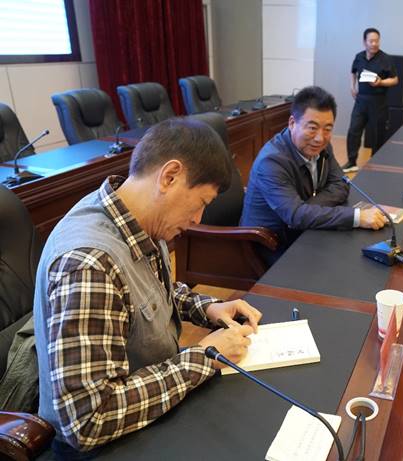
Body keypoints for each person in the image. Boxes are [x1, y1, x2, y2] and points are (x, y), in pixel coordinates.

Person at [33, 118, 264, 454]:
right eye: (201, 202)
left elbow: (146, 291)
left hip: (152, 403)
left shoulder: (135, 216)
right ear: (169, 177)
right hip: (106, 445)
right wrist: (202, 357)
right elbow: (88, 421)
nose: (198, 219)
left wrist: (209, 308)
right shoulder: (89, 263)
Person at [241, 86, 386, 262]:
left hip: (300, 232)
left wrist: (306, 209)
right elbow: (295, 216)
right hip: (269, 245)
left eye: (328, 129)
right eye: (312, 128)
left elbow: (341, 185)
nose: (320, 138)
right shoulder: (272, 161)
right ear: (292, 123)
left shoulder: (322, 147)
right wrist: (356, 217)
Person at [342, 27, 399, 173]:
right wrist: (352, 87)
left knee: (378, 133)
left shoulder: (386, 59)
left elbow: (395, 80)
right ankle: (352, 162)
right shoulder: (359, 57)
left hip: (378, 101)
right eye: (371, 41)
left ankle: (376, 163)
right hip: (361, 100)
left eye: (377, 41)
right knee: (354, 130)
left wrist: (381, 82)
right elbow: (353, 72)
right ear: (364, 42)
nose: (374, 44)